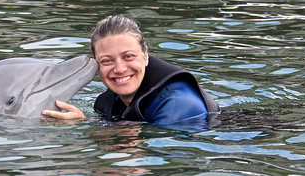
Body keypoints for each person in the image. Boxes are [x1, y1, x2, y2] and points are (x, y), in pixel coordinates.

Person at [42, 15, 220, 130]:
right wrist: (83, 121)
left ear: (145, 56)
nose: (119, 69)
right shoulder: (106, 102)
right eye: (106, 61)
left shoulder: (178, 102)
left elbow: (165, 151)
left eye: (128, 56)